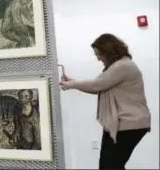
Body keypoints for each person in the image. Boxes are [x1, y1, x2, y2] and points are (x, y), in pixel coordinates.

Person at [59, 33, 151, 170]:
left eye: (99, 54)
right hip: (123, 123)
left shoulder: (123, 66)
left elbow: (97, 85)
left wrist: (71, 85)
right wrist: (72, 82)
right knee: (111, 165)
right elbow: (98, 87)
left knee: (110, 165)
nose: (98, 58)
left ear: (109, 51)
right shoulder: (116, 66)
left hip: (130, 123)